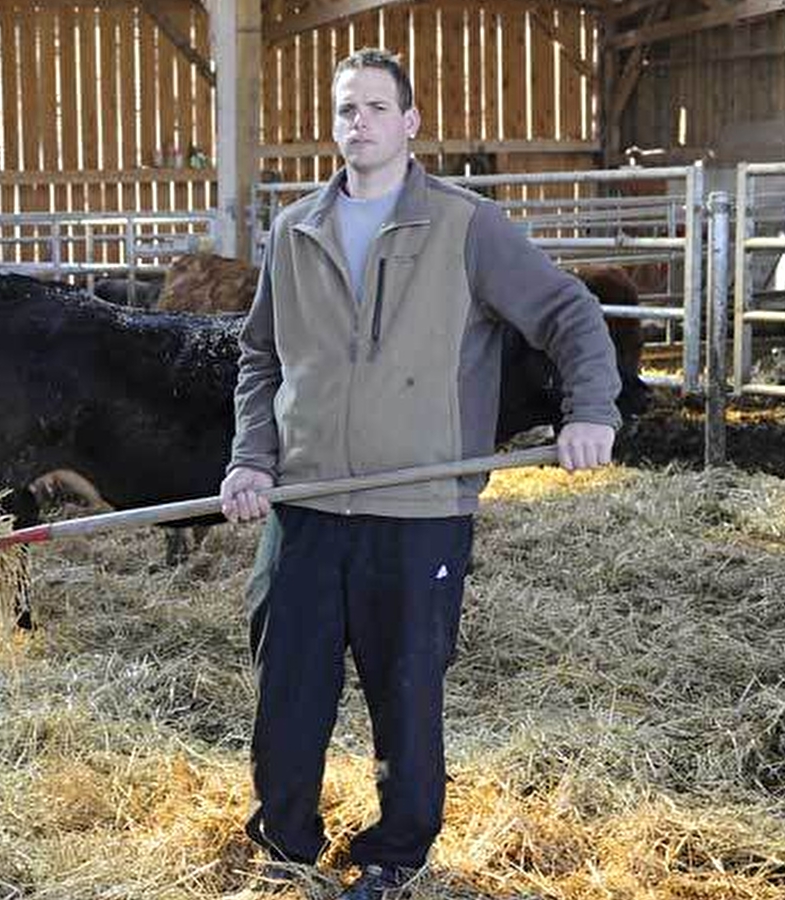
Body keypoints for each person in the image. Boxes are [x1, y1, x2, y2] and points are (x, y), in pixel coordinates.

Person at [219, 48, 620, 900]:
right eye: (343, 110)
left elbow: (568, 312)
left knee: (406, 694)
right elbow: (259, 359)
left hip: (418, 510)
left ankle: (395, 856)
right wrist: (252, 458)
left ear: (409, 124)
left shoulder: (466, 225)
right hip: (304, 506)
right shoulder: (294, 231)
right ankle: (285, 845)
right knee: (287, 692)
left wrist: (591, 411)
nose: (356, 122)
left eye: (374, 107)